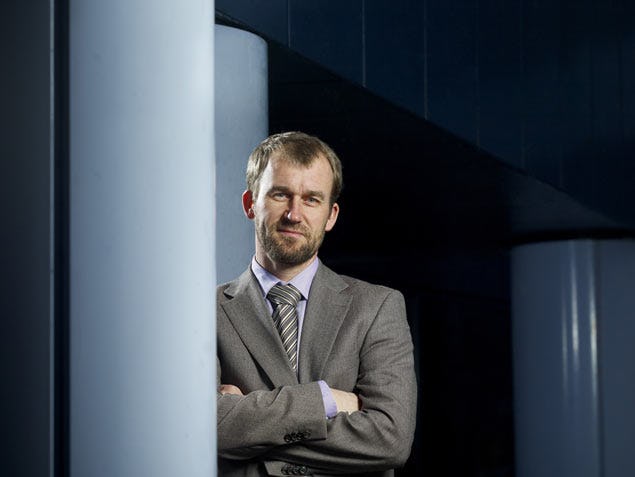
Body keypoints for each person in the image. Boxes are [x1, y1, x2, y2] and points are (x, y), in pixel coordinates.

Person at [216, 131, 417, 476]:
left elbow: (390, 439)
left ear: (331, 215)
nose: (294, 214)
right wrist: (326, 400)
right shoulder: (206, 313)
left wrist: (246, 424)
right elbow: (207, 427)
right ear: (250, 203)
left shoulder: (378, 307)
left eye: (311, 199)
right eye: (280, 194)